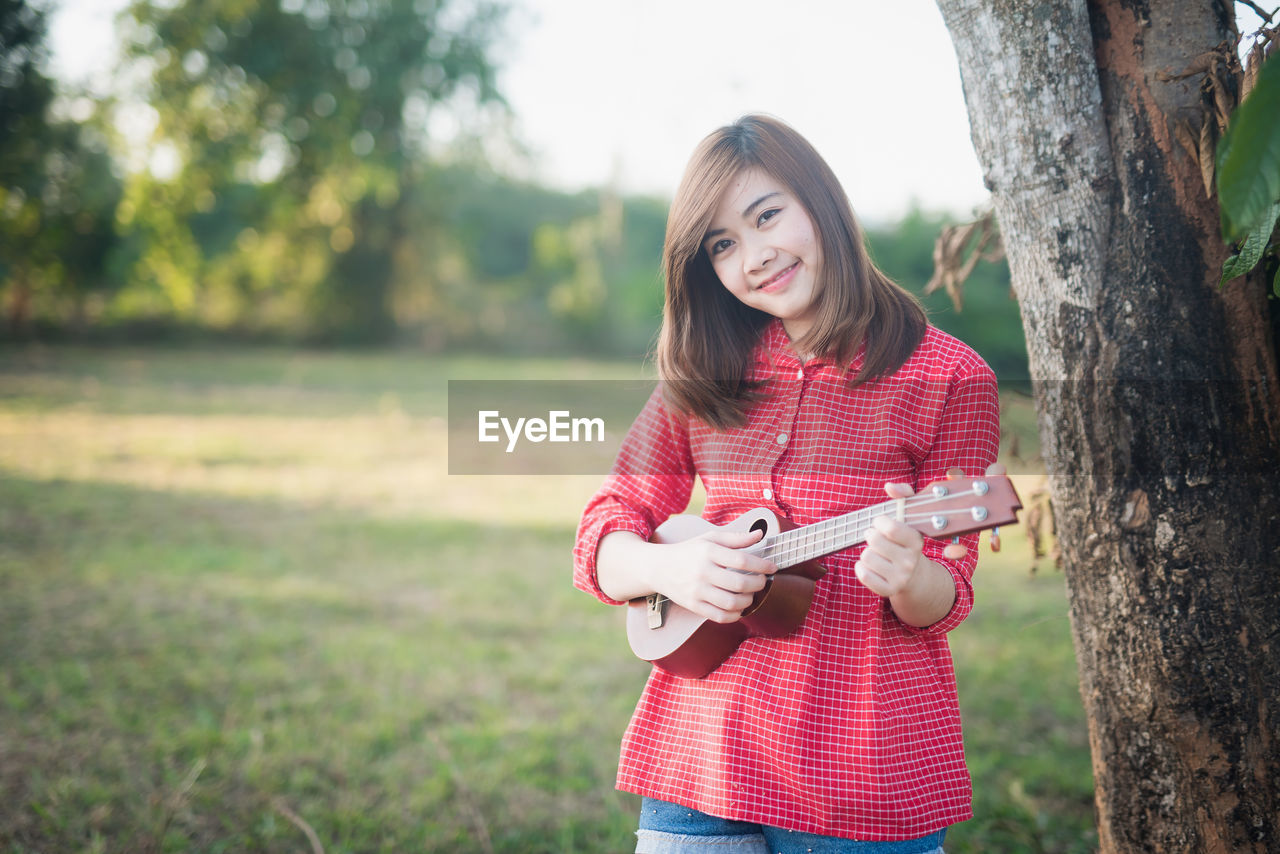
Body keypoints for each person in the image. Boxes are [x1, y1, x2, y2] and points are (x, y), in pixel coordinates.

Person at [573, 115, 1001, 854]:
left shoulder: (953, 377)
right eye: (723, 245)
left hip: (860, 761)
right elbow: (608, 525)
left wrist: (910, 575)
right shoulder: (706, 370)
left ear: (819, 200)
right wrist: (668, 566)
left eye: (767, 215)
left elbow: (948, 596)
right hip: (705, 747)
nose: (756, 256)